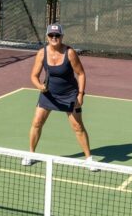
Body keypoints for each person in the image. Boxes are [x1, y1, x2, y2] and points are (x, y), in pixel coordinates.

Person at [22, 23, 96, 171]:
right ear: (47, 37)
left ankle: (89, 159)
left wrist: (81, 95)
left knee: (77, 126)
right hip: (48, 94)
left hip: (69, 95)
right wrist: (39, 86)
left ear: (62, 36)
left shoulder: (70, 53)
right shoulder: (42, 53)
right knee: (36, 123)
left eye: (57, 35)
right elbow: (34, 76)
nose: (54, 38)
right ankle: (31, 154)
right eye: (51, 35)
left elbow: (81, 74)